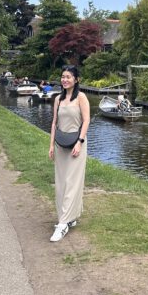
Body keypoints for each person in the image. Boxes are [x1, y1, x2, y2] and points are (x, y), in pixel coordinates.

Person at [48, 65, 90, 242]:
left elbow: (87, 120)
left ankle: (63, 223)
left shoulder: (81, 97)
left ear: (76, 80)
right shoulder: (58, 98)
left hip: (76, 146)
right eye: (63, 76)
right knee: (61, 183)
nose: (65, 80)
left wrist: (80, 142)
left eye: (68, 77)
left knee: (72, 182)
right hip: (60, 145)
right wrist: (51, 145)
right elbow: (54, 123)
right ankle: (69, 217)